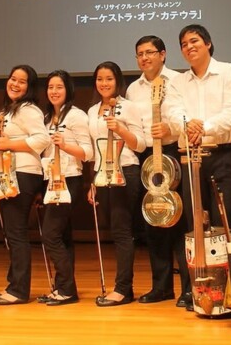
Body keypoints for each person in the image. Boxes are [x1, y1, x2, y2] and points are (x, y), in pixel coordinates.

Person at [125, 35, 192, 309]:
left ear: (163, 54)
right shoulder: (133, 89)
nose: (145, 58)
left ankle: (189, 288)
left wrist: (170, 128)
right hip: (147, 156)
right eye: (140, 54)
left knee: (181, 220)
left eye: (150, 52)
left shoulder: (179, 80)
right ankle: (161, 287)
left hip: (175, 152)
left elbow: (188, 116)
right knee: (154, 220)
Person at [162, 24, 231, 233]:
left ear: (208, 43)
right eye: (184, 44)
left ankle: (226, 257)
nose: (189, 47)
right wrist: (187, 124)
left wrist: (202, 128)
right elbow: (172, 112)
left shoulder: (230, 71)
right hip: (191, 157)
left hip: (225, 155)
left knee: (223, 220)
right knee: (197, 221)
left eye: (194, 41)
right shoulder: (177, 81)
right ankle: (199, 257)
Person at [0, 65, 50, 305]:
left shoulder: (29, 109)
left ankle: (19, 290)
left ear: (29, 87)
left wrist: (9, 145)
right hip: (7, 173)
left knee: (16, 231)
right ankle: (13, 285)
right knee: (12, 232)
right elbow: (4, 141)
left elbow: (42, 139)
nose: (15, 84)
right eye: (13, 79)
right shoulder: (8, 110)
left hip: (23, 173)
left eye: (22, 82)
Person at [88, 61, 146, 307]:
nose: (104, 83)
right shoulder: (92, 111)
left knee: (123, 231)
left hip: (125, 171)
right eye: (100, 79)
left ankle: (123, 289)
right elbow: (94, 150)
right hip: (102, 174)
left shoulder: (128, 107)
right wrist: (93, 181)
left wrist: (120, 130)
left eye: (109, 79)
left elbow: (140, 144)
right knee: (113, 230)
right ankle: (122, 286)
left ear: (118, 81)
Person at [38, 70, 92, 306]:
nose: (54, 91)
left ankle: (67, 288)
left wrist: (66, 145)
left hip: (69, 180)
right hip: (50, 180)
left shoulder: (77, 116)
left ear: (68, 89)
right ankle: (63, 288)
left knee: (50, 234)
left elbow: (88, 153)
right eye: (50, 87)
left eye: (59, 87)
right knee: (62, 236)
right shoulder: (46, 117)